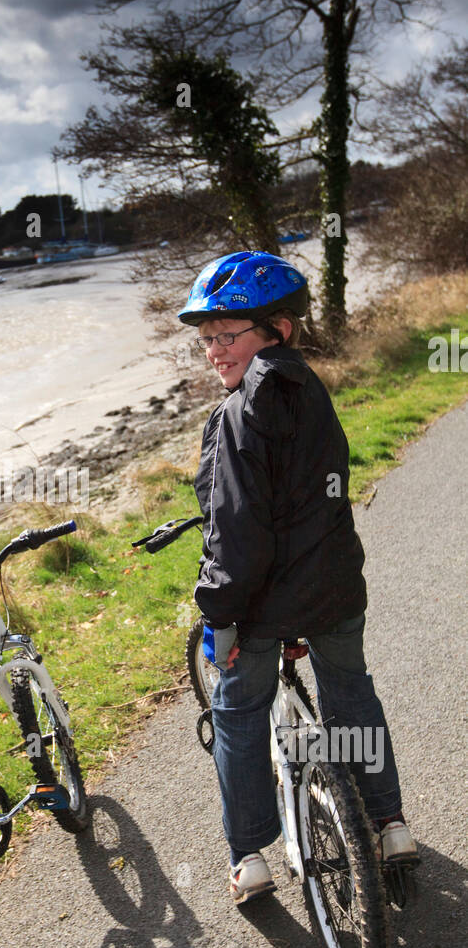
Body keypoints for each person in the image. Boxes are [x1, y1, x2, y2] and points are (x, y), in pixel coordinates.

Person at [178, 251, 418, 903]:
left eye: (228, 335)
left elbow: (235, 535)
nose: (213, 351)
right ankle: (391, 826)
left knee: (236, 711)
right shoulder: (314, 392)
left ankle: (248, 856)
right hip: (335, 588)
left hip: (261, 607)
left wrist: (220, 617)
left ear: (278, 330)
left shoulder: (232, 419)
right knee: (350, 697)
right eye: (206, 339)